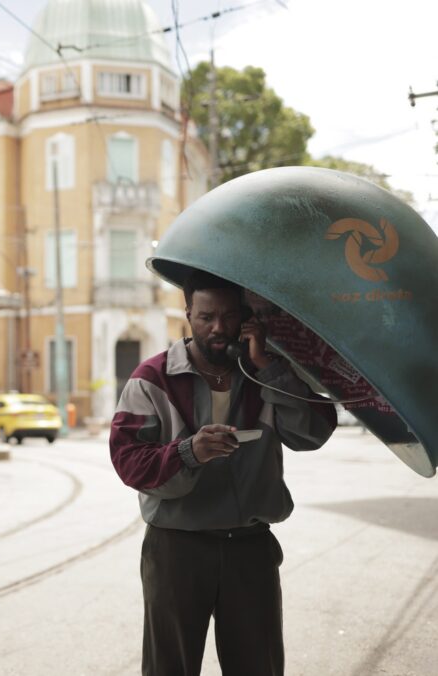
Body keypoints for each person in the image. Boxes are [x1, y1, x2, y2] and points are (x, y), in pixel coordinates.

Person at [109, 270, 337, 676]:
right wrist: (188, 452)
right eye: (206, 317)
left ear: (246, 318)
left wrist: (266, 366)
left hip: (250, 546)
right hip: (176, 548)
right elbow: (129, 461)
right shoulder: (151, 379)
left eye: (229, 316)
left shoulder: (265, 374)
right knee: (169, 668)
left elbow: (314, 432)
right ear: (188, 315)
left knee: (259, 666)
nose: (218, 327)